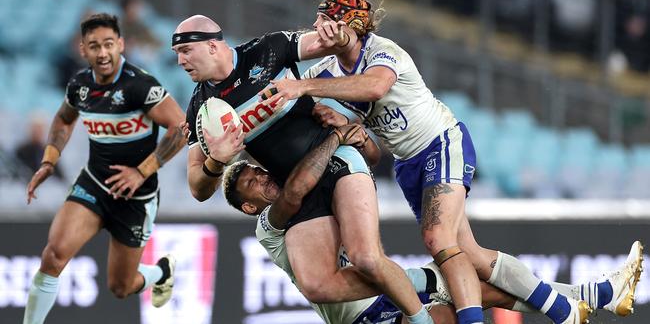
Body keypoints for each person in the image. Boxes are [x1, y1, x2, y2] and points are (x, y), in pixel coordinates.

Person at [265, 0, 644, 324]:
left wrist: (302, 86)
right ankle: (591, 299)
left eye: (326, 21)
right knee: (474, 258)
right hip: (409, 165)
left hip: (440, 143)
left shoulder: (382, 51)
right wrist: (335, 121)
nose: (318, 29)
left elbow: (376, 85)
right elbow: (372, 151)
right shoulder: (325, 70)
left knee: (438, 238)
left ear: (352, 25)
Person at [220, 119, 643, 323]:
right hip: (363, 314)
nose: (259, 178)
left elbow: (363, 159)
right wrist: (333, 137)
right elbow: (296, 190)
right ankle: (593, 296)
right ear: (248, 208)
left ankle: (596, 295)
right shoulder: (271, 224)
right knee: (475, 285)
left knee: (479, 290)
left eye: (256, 171)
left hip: (386, 287)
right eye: (249, 184)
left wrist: (358, 138)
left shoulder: (312, 198)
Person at [174, 14, 435, 323]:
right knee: (315, 284)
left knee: (365, 257)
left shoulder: (267, 50)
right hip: (296, 188)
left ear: (213, 46)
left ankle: (423, 320)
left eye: (185, 51)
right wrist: (215, 161)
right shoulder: (201, 107)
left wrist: (337, 32)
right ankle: (424, 281)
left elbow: (329, 42)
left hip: (338, 159)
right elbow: (197, 187)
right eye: (176, 54)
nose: (180, 61)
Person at [23, 13, 186, 324]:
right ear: (83, 49)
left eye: (109, 44)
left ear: (120, 45)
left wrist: (141, 171)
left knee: (121, 287)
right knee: (53, 256)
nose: (102, 52)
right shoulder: (80, 85)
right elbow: (63, 119)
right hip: (94, 184)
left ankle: (161, 271)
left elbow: (180, 127)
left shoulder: (140, 85)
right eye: (94, 46)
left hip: (136, 197)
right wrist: (49, 160)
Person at [14, 113, 64, 181]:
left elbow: (60, 177)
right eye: (35, 129)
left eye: (40, 129)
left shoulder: (50, 153)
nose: (37, 132)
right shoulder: (21, 151)